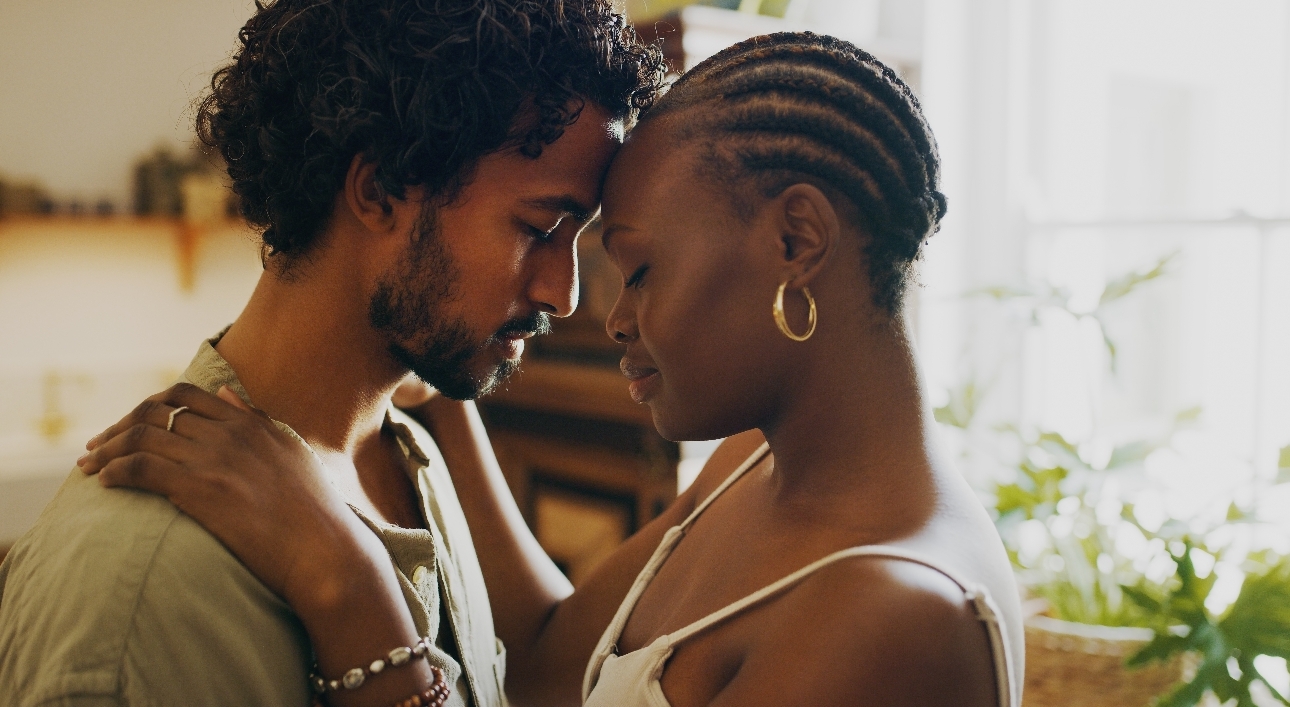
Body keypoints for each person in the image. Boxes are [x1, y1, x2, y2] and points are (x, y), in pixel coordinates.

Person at [74, 32, 1024, 707]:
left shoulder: (893, 617)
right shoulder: (752, 465)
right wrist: (444, 348)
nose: (595, 308)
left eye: (636, 267)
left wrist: (349, 589)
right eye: (543, 229)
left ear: (797, 237)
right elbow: (538, 662)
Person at [0, 1, 665, 705]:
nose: (563, 293)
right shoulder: (136, 586)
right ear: (377, 190)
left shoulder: (413, 458)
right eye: (538, 228)